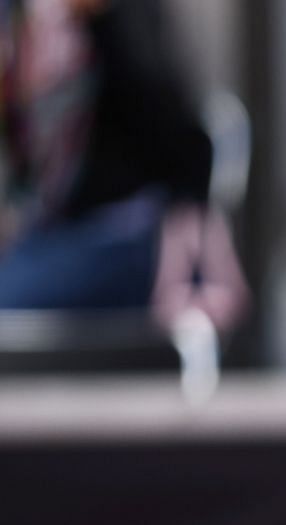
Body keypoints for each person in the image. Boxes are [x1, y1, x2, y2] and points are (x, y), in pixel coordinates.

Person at [0, 0, 247, 333]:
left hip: (123, 233)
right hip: (55, 235)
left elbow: (184, 140)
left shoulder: (114, 20)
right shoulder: (21, 20)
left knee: (12, 296)